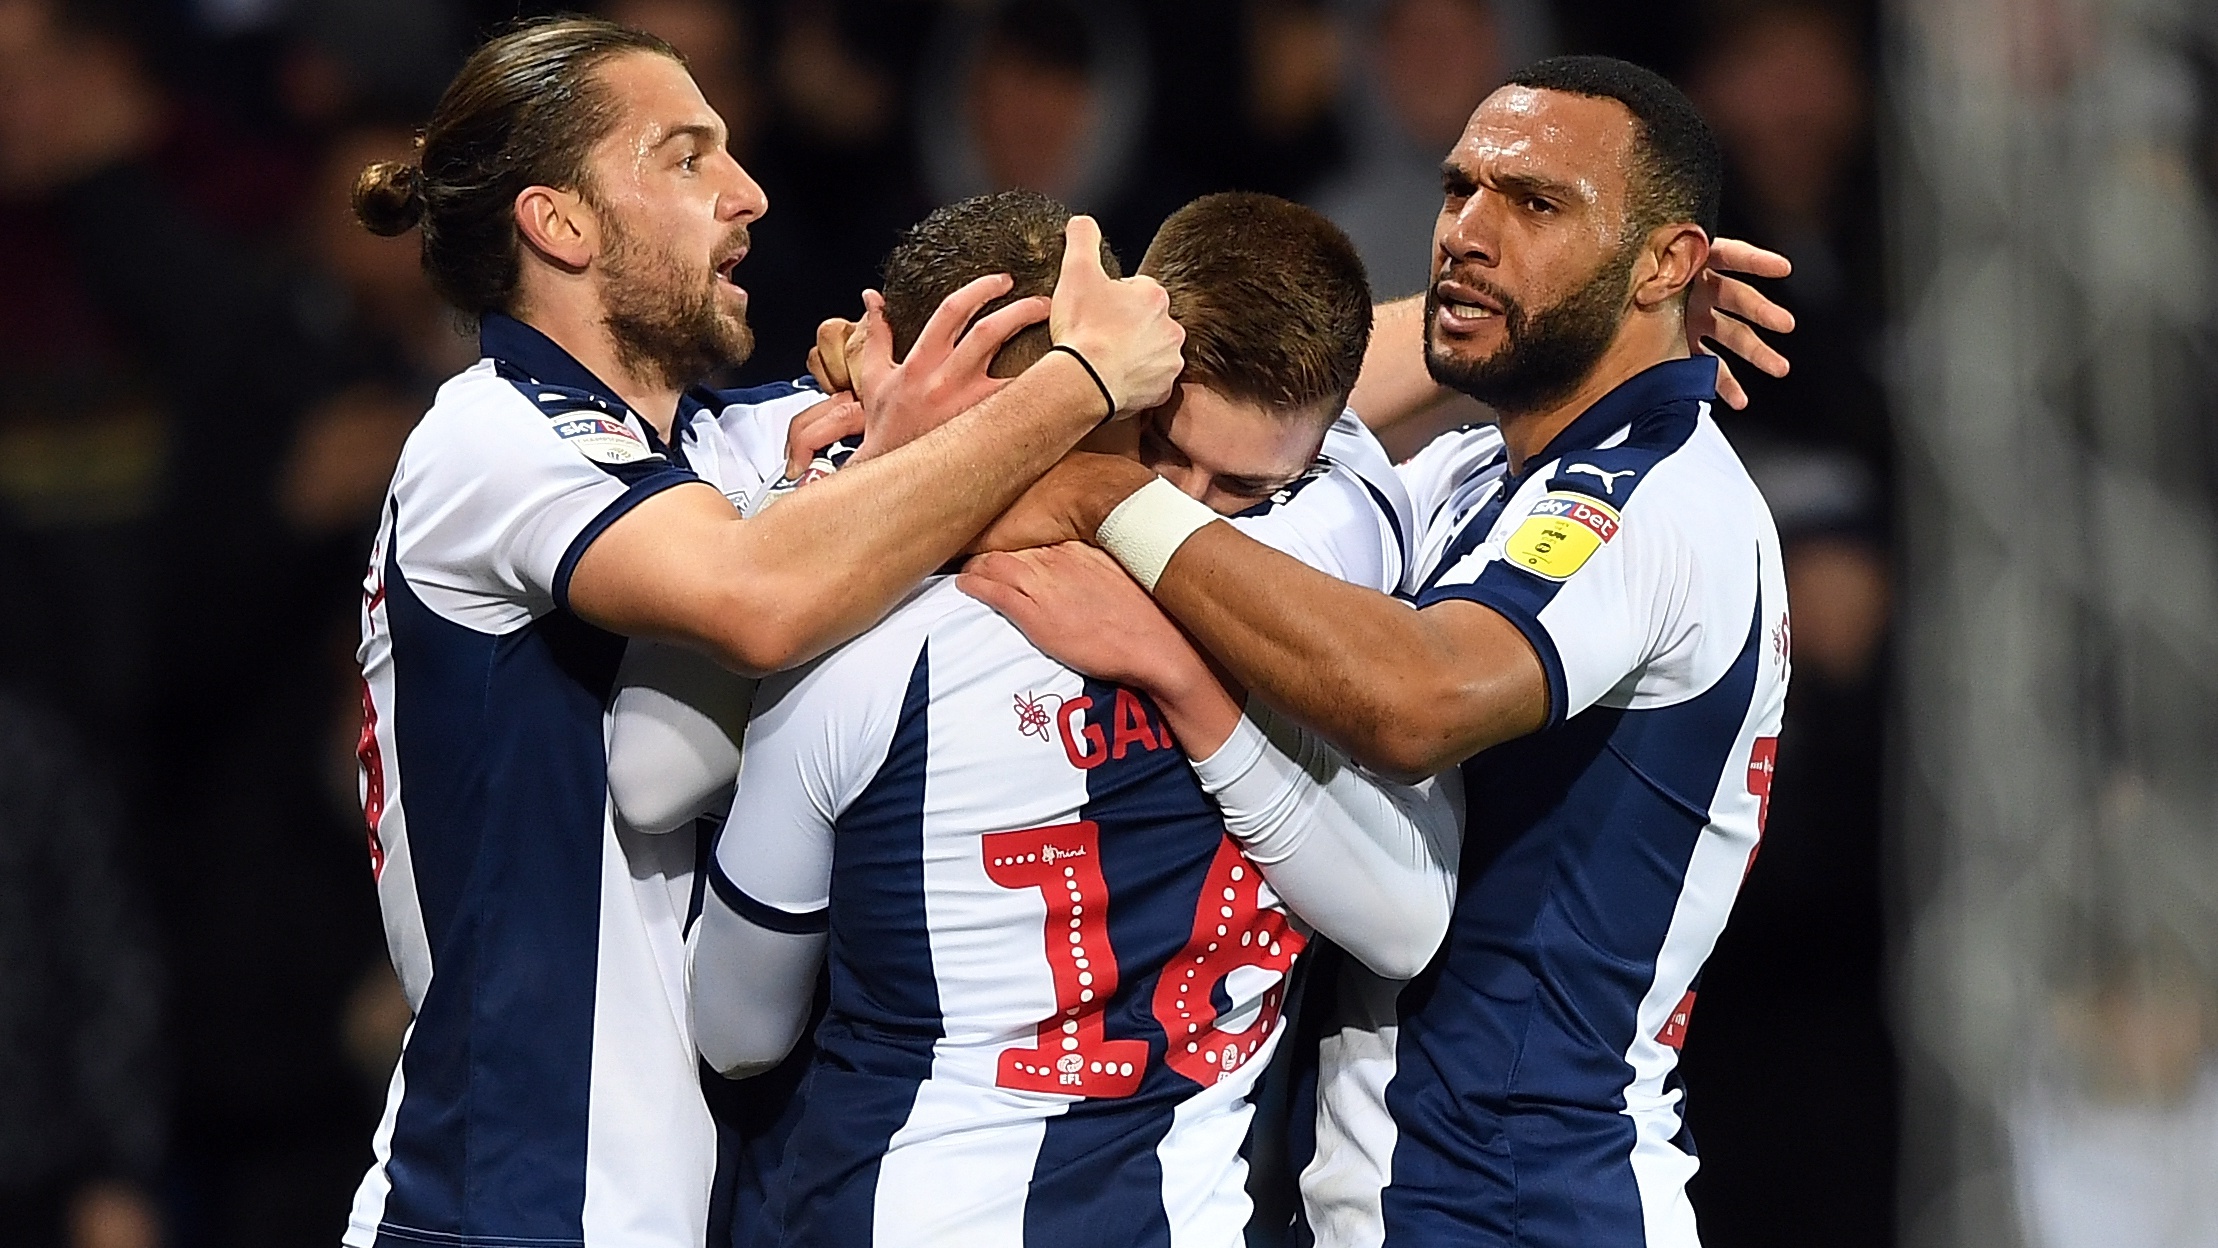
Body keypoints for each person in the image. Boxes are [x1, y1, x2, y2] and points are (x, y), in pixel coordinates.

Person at [341, 16, 1183, 1248]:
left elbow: (1224, 407)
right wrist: (1076, 384)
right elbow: (757, 596)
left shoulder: (730, 444)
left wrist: (1469, 342)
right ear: (558, 223)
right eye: (686, 158)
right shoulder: (488, 438)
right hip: (512, 1210)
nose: (747, 193)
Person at [965, 56, 1791, 1247]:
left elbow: (1416, 697)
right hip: (1411, 1196)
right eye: (1461, 190)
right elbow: (1280, 397)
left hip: (1519, 1205)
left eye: (1536, 204)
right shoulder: (1474, 474)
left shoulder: (1656, 502)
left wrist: (1107, 496)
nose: (1467, 234)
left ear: (1665, 262)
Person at [685, 190, 1459, 1248]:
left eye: (1237, 484)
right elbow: (1407, 922)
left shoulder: (841, 646)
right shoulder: (1342, 557)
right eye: (1162, 451)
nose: (1187, 506)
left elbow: (734, 1026)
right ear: (1134, 377)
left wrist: (868, 480)